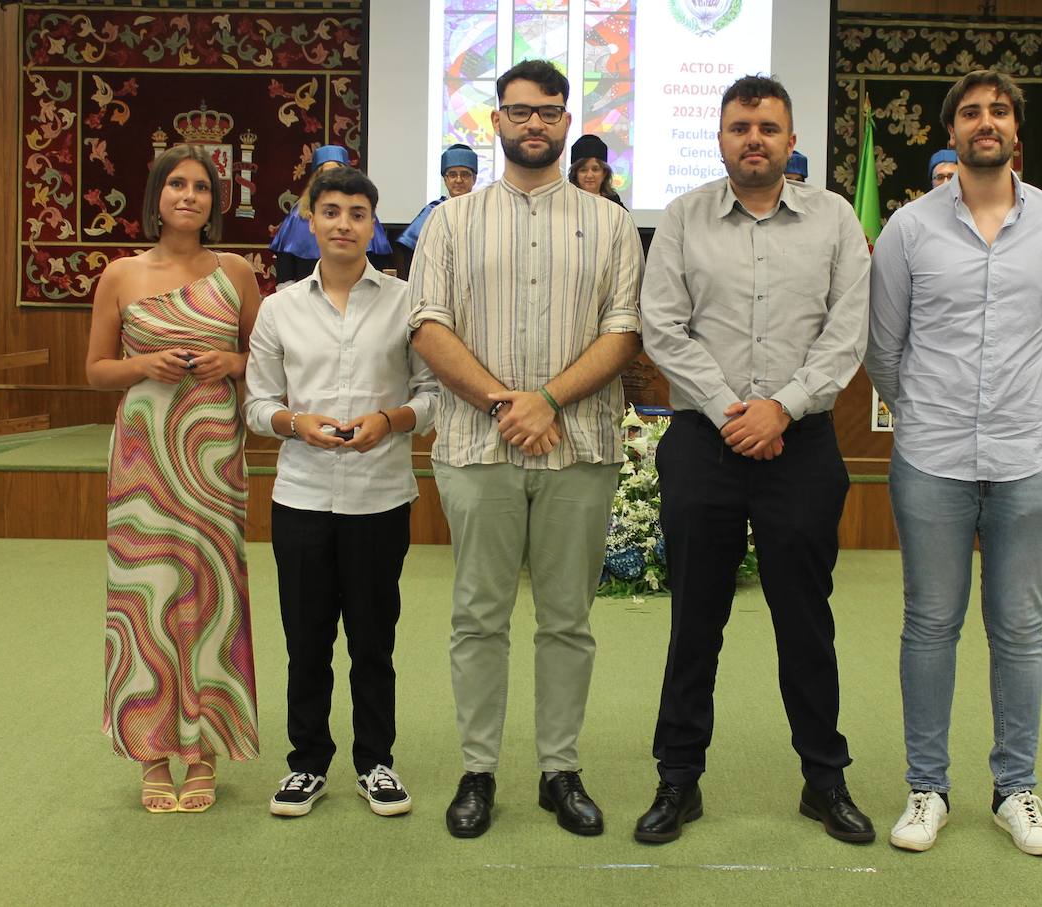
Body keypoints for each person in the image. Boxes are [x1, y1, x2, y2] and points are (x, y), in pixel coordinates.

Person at [866, 70, 1042, 857]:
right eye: (970, 112)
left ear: (1016, 132)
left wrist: (1035, 414)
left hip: (1027, 459)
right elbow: (885, 349)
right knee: (930, 623)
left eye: (998, 110)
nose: (985, 122)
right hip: (930, 458)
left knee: (1020, 627)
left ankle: (1015, 788)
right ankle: (926, 787)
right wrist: (931, 412)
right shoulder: (908, 229)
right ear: (953, 131)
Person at [407, 59, 643, 840]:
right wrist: (507, 403)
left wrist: (547, 400)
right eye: (519, 111)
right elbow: (428, 325)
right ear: (496, 120)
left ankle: (558, 770)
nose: (534, 124)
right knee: (478, 616)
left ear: (567, 120)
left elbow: (622, 331)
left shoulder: (610, 222)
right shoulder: (450, 220)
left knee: (568, 618)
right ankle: (478, 768)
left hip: (579, 446)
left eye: (548, 112)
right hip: (478, 446)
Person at [636, 75, 874, 846]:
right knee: (695, 617)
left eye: (769, 127)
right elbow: (662, 328)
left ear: (792, 138)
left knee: (805, 619)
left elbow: (848, 333)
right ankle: (678, 779)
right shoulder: (681, 219)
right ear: (720, 138)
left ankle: (824, 778)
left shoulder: (835, 219)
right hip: (707, 440)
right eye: (740, 126)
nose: (754, 140)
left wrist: (784, 406)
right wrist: (735, 411)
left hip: (800, 442)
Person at [245, 166, 438, 820]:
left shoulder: (408, 301)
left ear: (373, 226)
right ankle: (306, 763)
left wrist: (389, 421)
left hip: (381, 495)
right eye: (331, 211)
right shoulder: (278, 308)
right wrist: (296, 424)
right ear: (312, 219)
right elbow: (255, 404)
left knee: (372, 639)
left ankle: (375, 760)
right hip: (300, 495)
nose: (344, 224)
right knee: (306, 639)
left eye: (358, 213)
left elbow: (431, 397)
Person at [86, 143, 262, 813]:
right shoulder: (121, 275)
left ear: (214, 202)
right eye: (176, 184)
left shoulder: (238, 272)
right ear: (157, 195)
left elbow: (265, 359)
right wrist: (143, 364)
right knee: (146, 597)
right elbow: (96, 369)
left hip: (213, 450)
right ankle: (153, 752)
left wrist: (230, 359)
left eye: (200, 186)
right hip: (143, 455)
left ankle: (207, 749)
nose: (188, 194)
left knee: (211, 593)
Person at [269, 145, 392, 286]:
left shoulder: (365, 215)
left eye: (356, 216)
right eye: (330, 213)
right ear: (312, 222)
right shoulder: (296, 216)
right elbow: (286, 269)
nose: (343, 226)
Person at [396, 144, 479, 251]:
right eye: (453, 175)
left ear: (474, 179)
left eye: (465, 174)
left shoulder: (483, 210)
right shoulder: (432, 211)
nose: (459, 180)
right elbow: (409, 247)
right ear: (445, 180)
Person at [568, 134, 625, 206]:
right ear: (575, 174)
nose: (589, 175)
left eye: (595, 170)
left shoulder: (614, 202)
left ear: (604, 173)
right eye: (583, 170)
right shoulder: (566, 201)